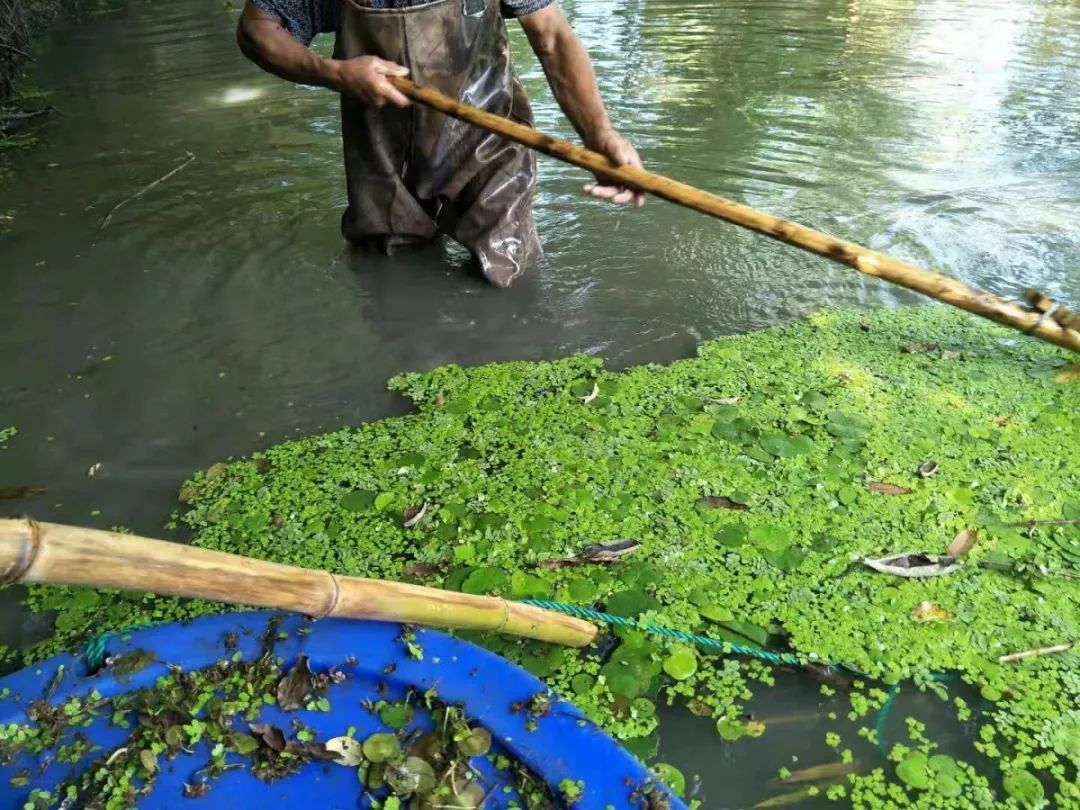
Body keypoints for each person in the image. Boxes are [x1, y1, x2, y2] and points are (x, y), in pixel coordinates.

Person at [236, 0, 644, 288]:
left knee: (511, 274)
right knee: (392, 285)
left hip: (487, 147)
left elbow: (553, 37)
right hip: (381, 157)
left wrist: (599, 135)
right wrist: (333, 72)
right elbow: (256, 30)